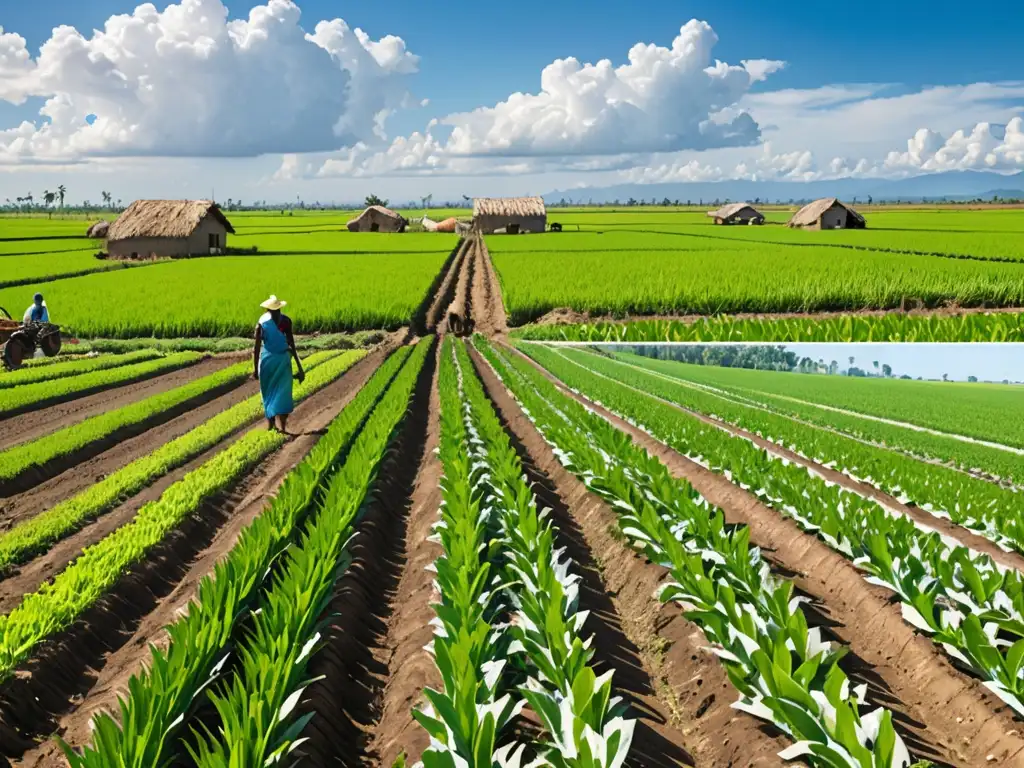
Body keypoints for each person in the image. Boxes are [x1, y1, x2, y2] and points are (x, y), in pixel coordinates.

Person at [253, 295, 304, 433]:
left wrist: (255, 368)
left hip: (267, 361)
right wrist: (300, 367)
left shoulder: (261, 324)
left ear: (267, 310)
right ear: (279, 308)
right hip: (282, 360)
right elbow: (292, 345)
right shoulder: (286, 321)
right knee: (283, 392)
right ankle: (281, 426)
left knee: (268, 392)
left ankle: (272, 425)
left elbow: (257, 348)